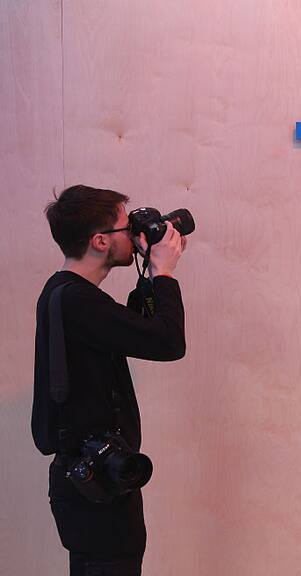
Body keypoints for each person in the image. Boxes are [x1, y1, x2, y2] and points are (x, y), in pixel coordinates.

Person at [32, 184, 187, 576]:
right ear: (100, 241)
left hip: (92, 482)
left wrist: (150, 272)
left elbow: (138, 328)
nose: (134, 232)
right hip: (97, 491)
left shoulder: (64, 293)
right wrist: (164, 272)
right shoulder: (77, 301)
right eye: (125, 226)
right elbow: (168, 341)